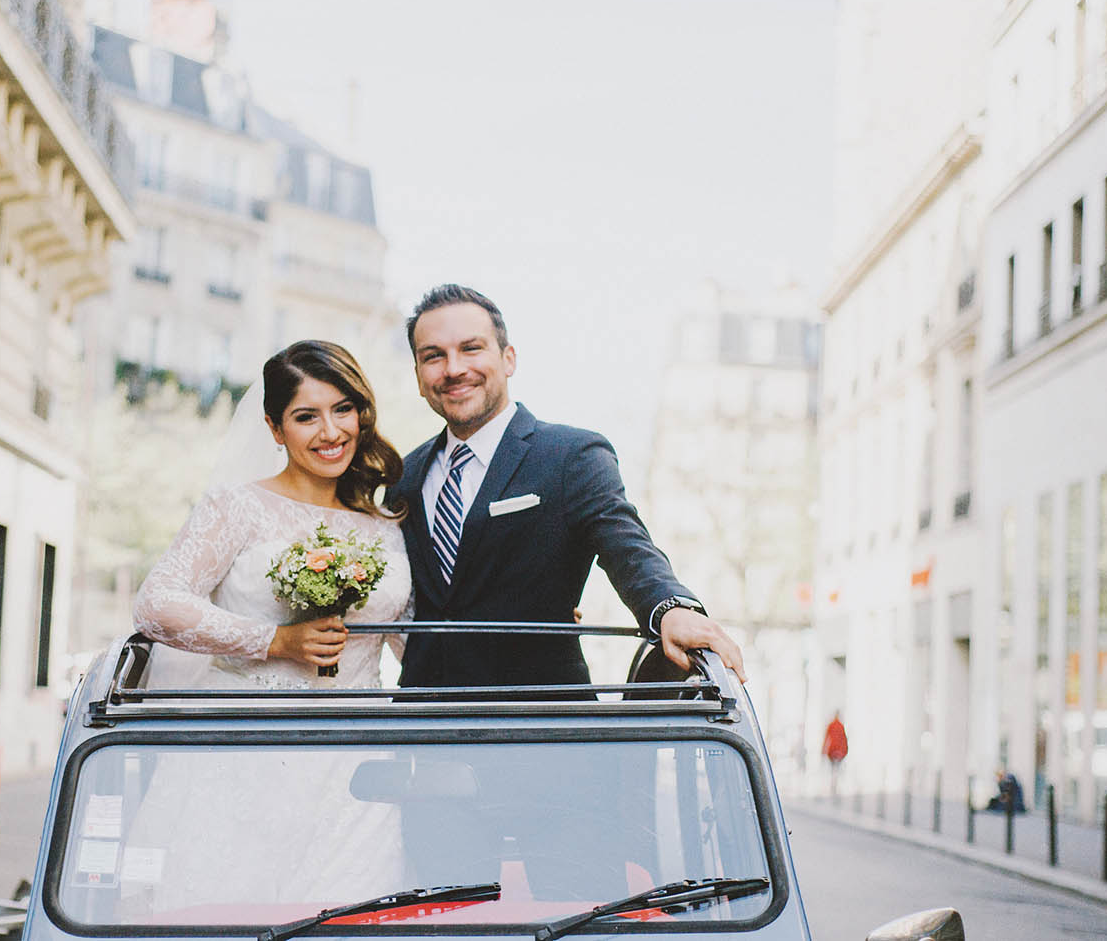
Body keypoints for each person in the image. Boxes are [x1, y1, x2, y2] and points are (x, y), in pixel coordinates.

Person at [125, 340, 411, 909]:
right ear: (275, 429)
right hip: (247, 756)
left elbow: (410, 641)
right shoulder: (236, 507)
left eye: (342, 409)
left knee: (351, 912)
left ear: (363, 414)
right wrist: (275, 641)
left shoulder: (387, 526)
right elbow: (156, 603)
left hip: (356, 770)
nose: (330, 431)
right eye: (306, 416)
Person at [389, 284, 745, 688]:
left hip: (545, 728)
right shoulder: (403, 475)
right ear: (418, 377)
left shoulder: (571, 456)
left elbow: (627, 546)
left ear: (508, 359)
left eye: (471, 348)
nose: (453, 369)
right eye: (433, 356)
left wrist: (670, 609)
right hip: (421, 728)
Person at [823, 711, 848, 795]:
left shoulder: (832, 725)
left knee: (833, 769)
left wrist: (823, 750)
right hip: (838, 752)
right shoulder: (840, 726)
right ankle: (834, 786)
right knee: (836, 770)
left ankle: (833, 786)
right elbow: (844, 740)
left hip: (832, 751)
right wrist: (844, 752)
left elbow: (827, 738)